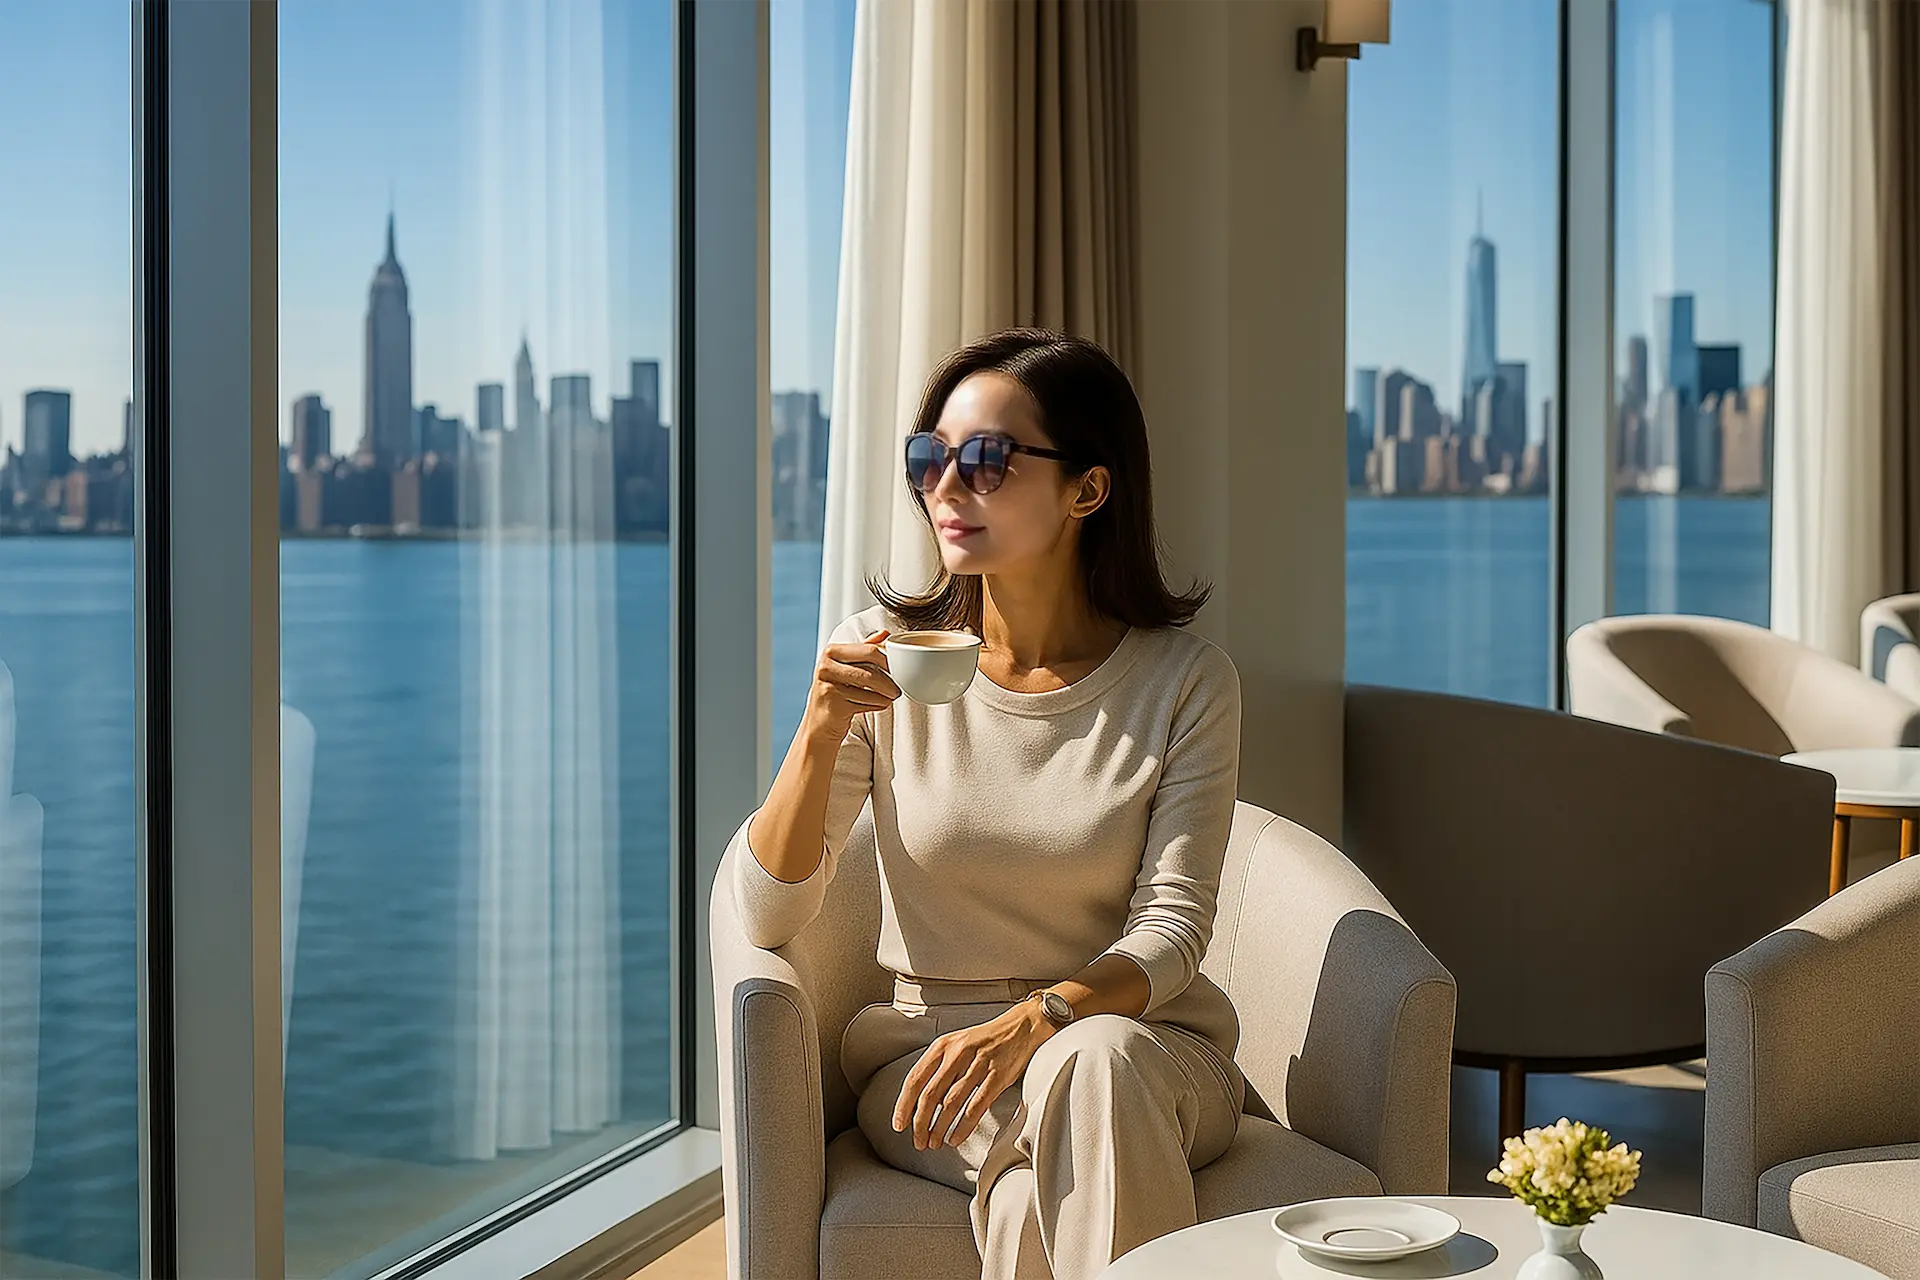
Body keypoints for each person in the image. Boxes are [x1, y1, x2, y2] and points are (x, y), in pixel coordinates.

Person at [730, 328, 1244, 1280]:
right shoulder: (878, 658)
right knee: (1056, 1154)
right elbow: (767, 911)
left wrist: (1045, 1021)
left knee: (1084, 1094)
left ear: (1088, 490)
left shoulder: (1185, 682)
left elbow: (1173, 930)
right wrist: (817, 731)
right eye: (931, 460)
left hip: (1147, 1053)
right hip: (935, 1068)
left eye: (988, 461)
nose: (947, 489)